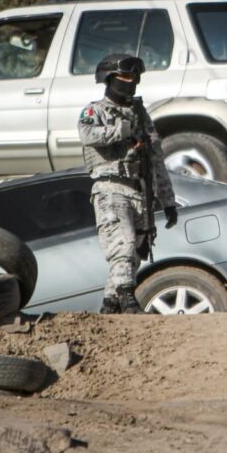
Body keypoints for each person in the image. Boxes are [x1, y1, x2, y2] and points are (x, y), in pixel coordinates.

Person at [79, 54, 179, 314]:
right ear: (109, 79)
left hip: (139, 190)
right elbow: (87, 134)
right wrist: (122, 131)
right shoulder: (95, 110)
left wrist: (168, 201)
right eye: (125, 78)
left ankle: (110, 305)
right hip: (110, 189)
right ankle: (128, 301)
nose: (131, 82)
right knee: (121, 245)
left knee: (134, 251)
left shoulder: (140, 113)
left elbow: (156, 159)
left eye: (135, 78)